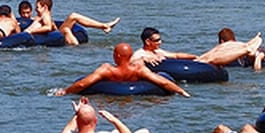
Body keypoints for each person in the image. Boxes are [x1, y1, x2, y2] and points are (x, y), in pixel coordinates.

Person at [54, 43, 190, 97]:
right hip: (135, 98)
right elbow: (162, 82)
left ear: (117, 56)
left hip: (111, 99)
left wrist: (65, 91)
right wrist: (182, 91)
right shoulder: (138, 69)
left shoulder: (107, 70)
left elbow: (83, 84)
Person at [58, 96, 156, 133]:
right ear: (95, 121)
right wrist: (113, 119)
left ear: (77, 121)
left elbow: (70, 128)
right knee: (144, 132)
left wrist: (78, 112)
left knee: (115, 132)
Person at [131, 27, 263, 67]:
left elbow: (176, 55)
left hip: (184, 64)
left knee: (210, 54)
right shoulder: (140, 54)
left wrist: (195, 56)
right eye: (157, 40)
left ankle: (246, 45)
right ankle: (246, 49)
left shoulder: (157, 51)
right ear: (148, 42)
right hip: (174, 69)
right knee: (210, 60)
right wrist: (144, 60)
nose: (160, 42)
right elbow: (131, 62)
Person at [24, 0, 119, 46]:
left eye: (37, 7)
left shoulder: (45, 16)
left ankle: (104, 26)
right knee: (71, 20)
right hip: (58, 34)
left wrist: (31, 31)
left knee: (72, 18)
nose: (36, 9)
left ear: (44, 7)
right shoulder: (43, 16)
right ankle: (104, 26)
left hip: (56, 36)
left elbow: (48, 27)